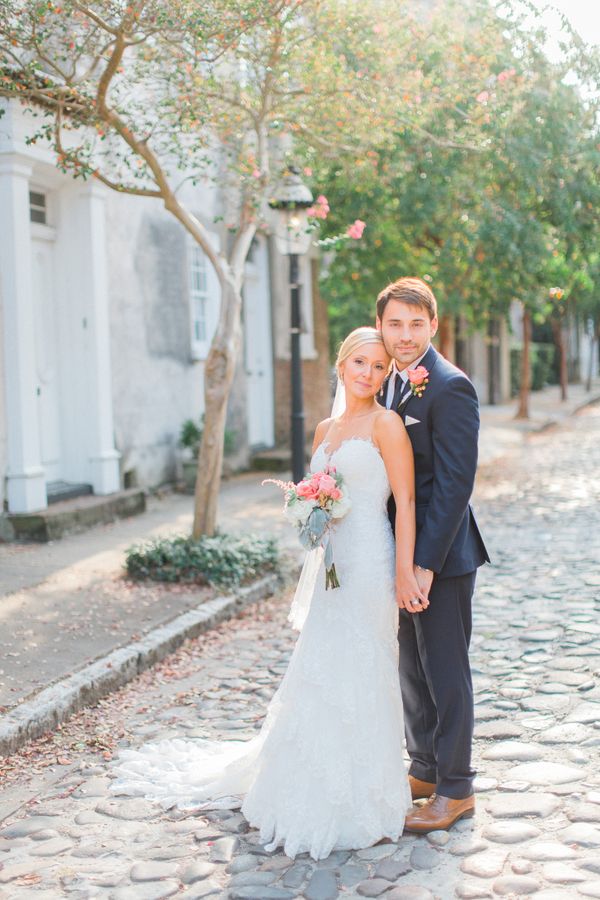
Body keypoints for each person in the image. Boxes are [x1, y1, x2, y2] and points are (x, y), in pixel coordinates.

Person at [111, 326, 424, 861]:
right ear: (341, 365)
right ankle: (309, 783)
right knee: (322, 666)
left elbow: (408, 500)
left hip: (371, 562)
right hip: (332, 565)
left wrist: (403, 571)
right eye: (359, 363)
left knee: (365, 666)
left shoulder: (387, 424)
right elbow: (316, 495)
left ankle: (364, 795)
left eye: (378, 367)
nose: (368, 374)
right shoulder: (325, 428)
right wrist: (311, 512)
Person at [376, 277, 490, 833]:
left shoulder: (449, 387)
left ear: (433, 326)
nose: (404, 334)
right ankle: (424, 769)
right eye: (395, 323)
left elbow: (453, 486)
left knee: (446, 669)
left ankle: (456, 788)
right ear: (381, 326)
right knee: (411, 666)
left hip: (441, 558)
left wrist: (422, 564)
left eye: (415, 324)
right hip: (395, 554)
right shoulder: (387, 383)